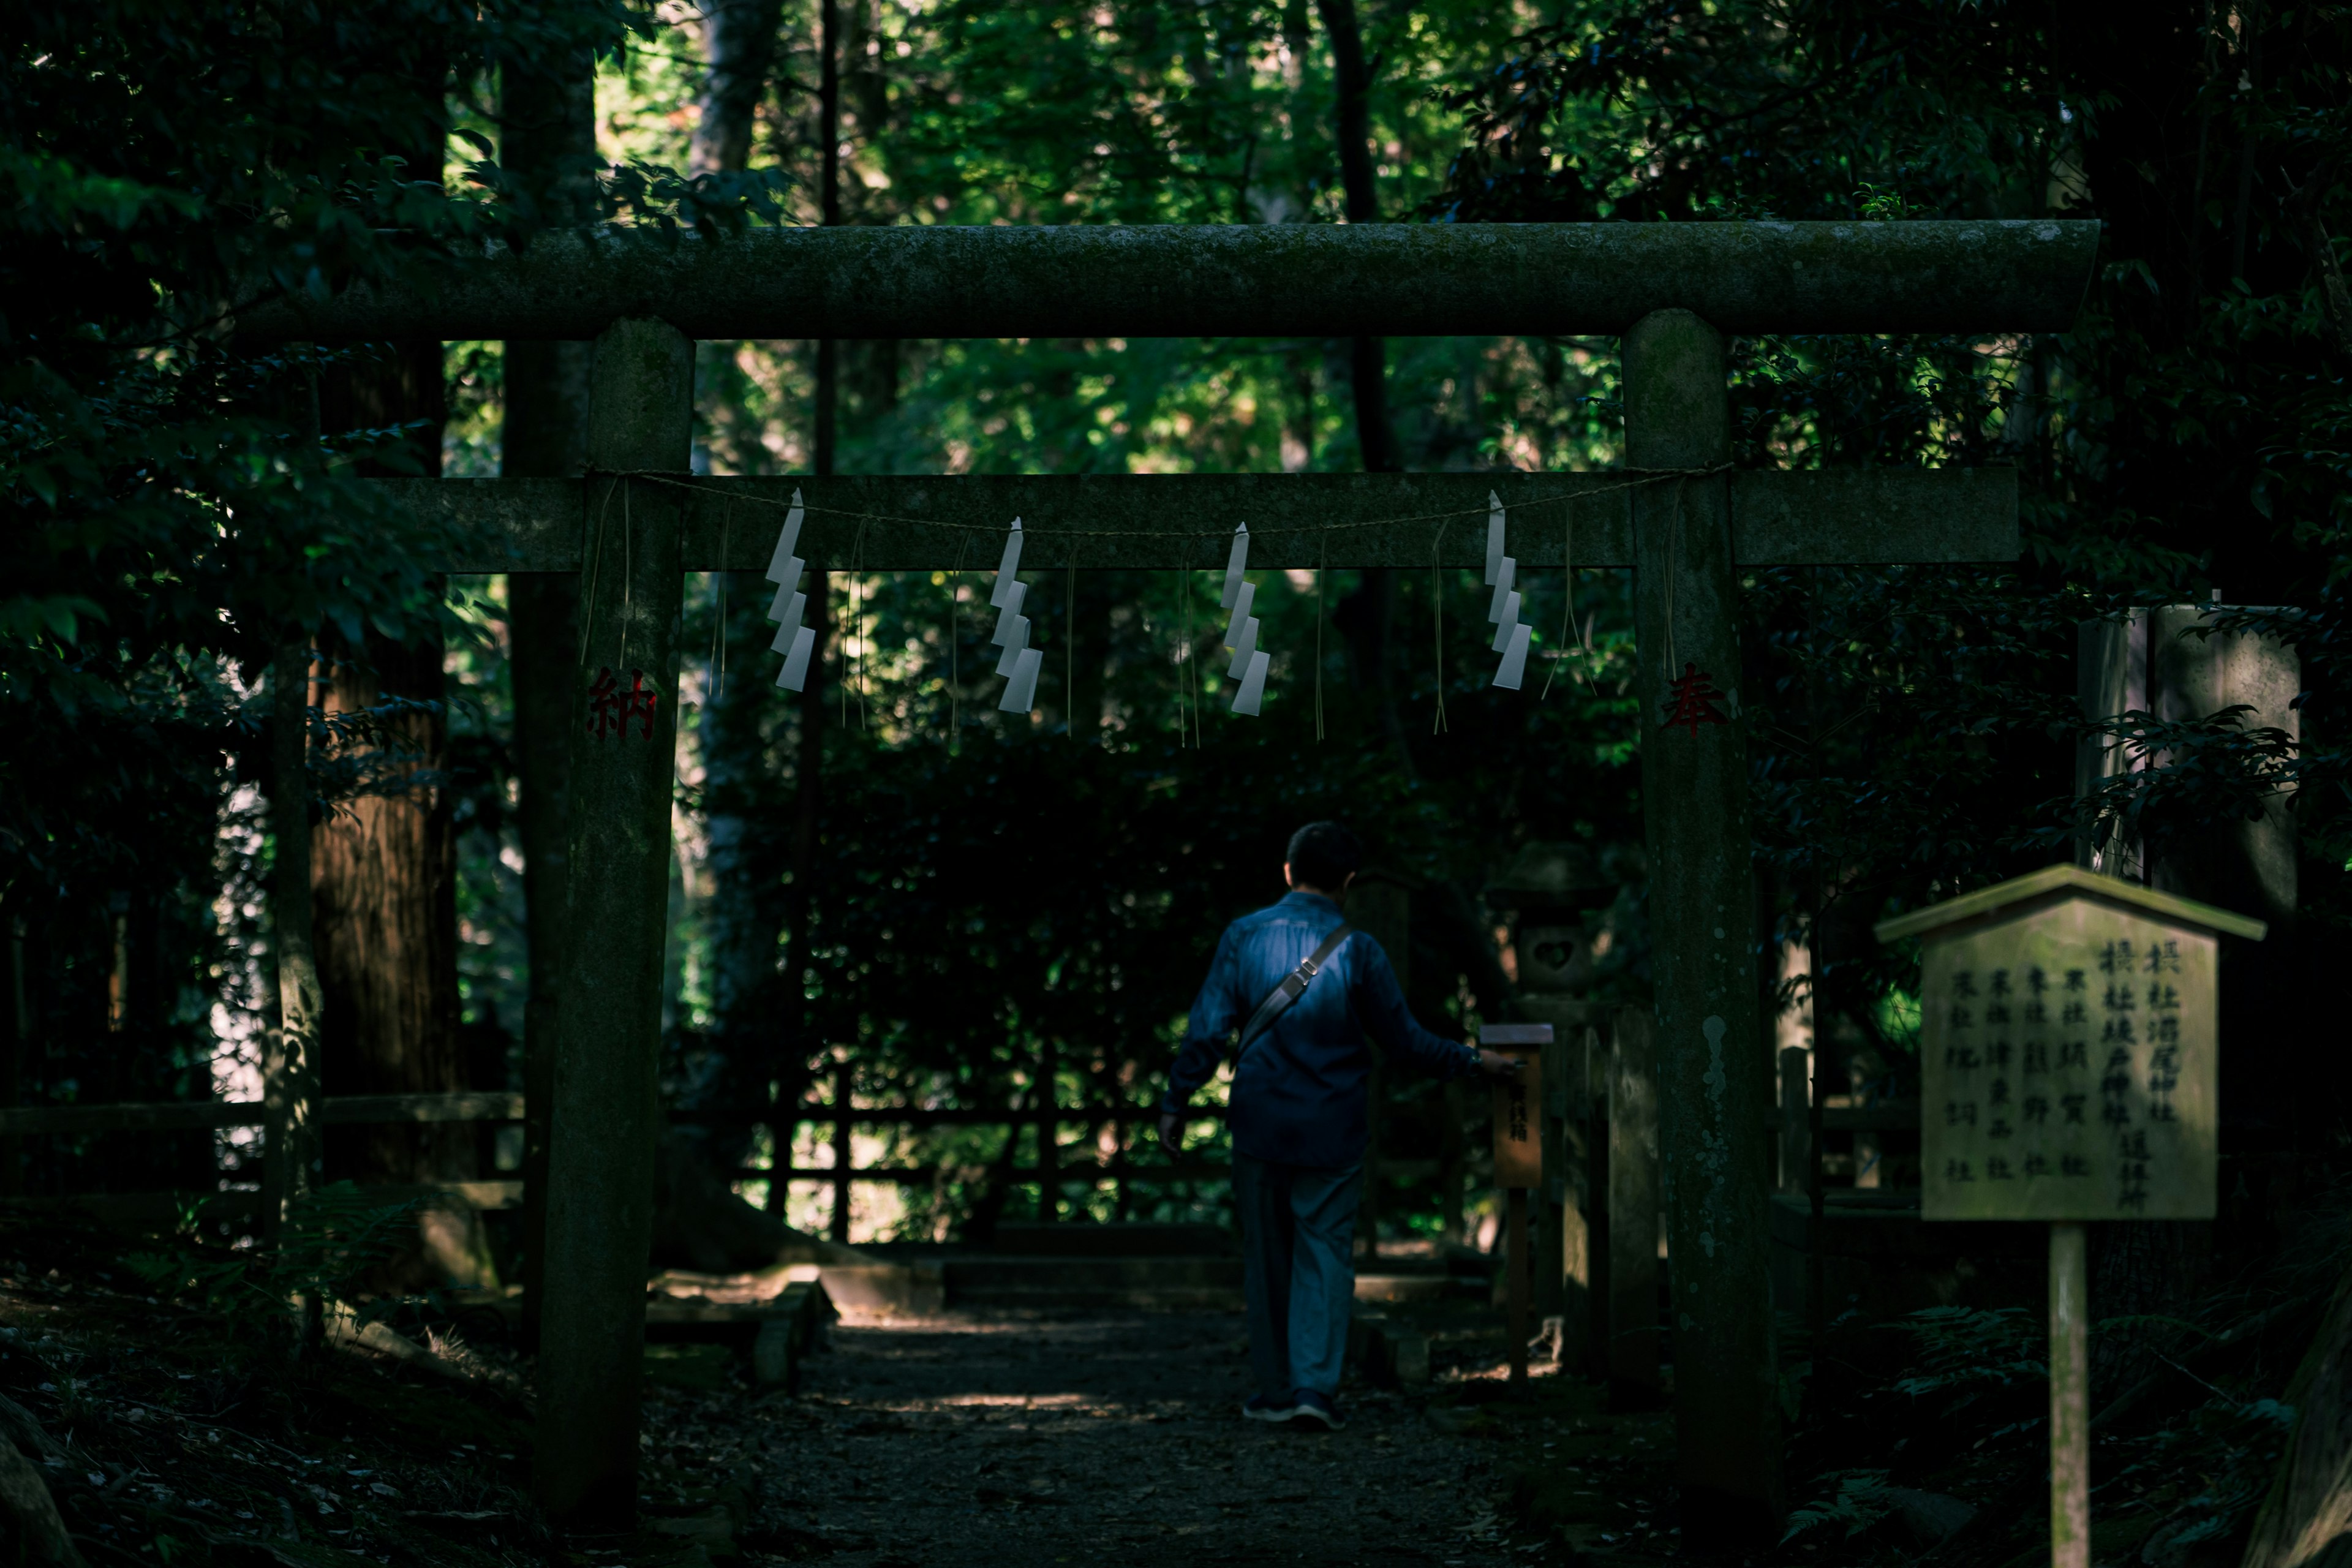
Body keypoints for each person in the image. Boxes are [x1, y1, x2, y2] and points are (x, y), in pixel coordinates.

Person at [1157, 821, 1521, 1432]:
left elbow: (1207, 1030)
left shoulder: (1243, 936)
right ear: (1349, 882)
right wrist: (1472, 1061)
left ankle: (1273, 1390)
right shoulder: (1359, 950)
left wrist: (1176, 1100)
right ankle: (1314, 1390)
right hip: (1333, 1126)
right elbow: (1404, 1043)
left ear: (1287, 870)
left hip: (1261, 1123)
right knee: (1324, 1253)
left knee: (1267, 1256)